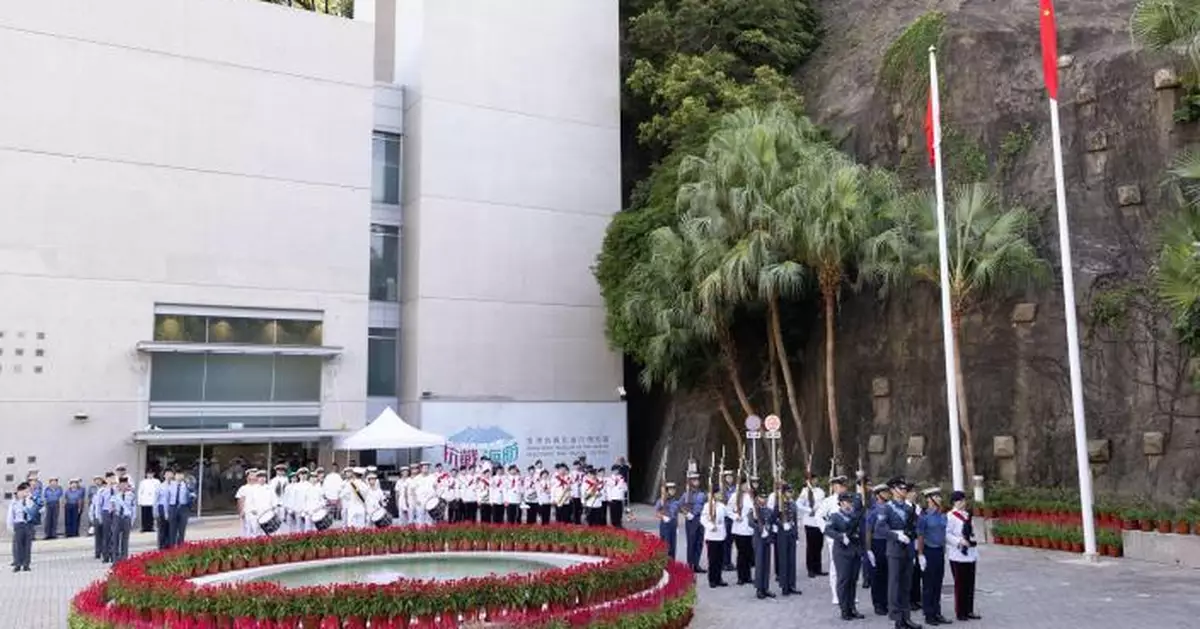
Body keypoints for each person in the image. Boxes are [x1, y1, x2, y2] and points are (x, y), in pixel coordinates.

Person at [879, 477, 921, 629]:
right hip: (895, 549)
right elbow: (881, 528)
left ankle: (906, 617)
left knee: (906, 585)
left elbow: (916, 526)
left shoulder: (909, 508)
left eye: (905, 489)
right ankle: (897, 618)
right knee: (895, 584)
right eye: (901, 488)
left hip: (908, 548)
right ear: (893, 490)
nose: (904, 491)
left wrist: (913, 535)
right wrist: (897, 535)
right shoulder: (886, 508)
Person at [825, 492, 866, 621]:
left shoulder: (855, 516)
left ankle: (852, 607)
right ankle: (844, 609)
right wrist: (841, 537)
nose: (850, 504)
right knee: (844, 580)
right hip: (842, 552)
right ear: (841, 502)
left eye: (850, 501)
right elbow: (828, 530)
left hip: (855, 550)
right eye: (847, 501)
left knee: (853, 580)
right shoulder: (835, 516)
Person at [945, 491, 981, 622]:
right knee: (960, 585)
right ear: (954, 502)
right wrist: (959, 541)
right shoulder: (950, 516)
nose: (962, 503)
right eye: (959, 501)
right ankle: (960, 612)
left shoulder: (967, 515)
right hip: (958, 554)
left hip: (970, 554)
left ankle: (969, 610)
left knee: (970, 583)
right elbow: (947, 534)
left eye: (963, 501)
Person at [917, 487, 951, 626]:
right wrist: (920, 555)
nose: (939, 499)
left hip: (939, 552)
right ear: (929, 500)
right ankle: (928, 614)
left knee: (938, 583)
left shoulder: (942, 516)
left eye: (939, 496)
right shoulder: (924, 518)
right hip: (928, 552)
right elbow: (920, 536)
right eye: (936, 497)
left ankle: (937, 612)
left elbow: (944, 534)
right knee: (928, 585)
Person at [818, 475, 852, 607]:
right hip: (835, 538)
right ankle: (836, 595)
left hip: (849, 538)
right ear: (834, 487)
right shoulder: (828, 501)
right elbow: (819, 516)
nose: (842, 488)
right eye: (839, 486)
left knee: (848, 567)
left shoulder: (850, 499)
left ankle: (849, 594)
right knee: (835, 567)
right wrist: (826, 531)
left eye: (844, 486)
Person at [867, 483, 893, 616]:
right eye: (884, 492)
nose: (888, 494)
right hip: (877, 543)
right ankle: (878, 603)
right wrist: (868, 549)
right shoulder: (873, 510)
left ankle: (887, 601)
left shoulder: (890, 508)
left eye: (888, 492)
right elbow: (868, 530)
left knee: (888, 573)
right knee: (878, 575)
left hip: (889, 542)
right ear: (878, 495)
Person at [699, 487, 729, 589]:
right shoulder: (707, 506)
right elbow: (703, 519)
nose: (720, 495)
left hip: (721, 535)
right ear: (714, 494)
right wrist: (711, 526)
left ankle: (718, 578)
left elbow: (729, 513)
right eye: (718, 493)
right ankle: (712, 579)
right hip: (712, 536)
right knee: (712, 559)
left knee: (720, 559)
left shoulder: (722, 506)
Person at [799, 473, 828, 578]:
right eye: (813, 479)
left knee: (819, 545)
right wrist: (809, 510)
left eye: (816, 479)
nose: (815, 481)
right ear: (809, 481)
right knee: (811, 546)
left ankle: (818, 568)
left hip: (819, 522)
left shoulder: (820, 491)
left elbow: (824, 503)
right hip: (810, 521)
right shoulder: (805, 491)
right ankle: (810, 569)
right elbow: (799, 504)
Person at [728, 479, 755, 586]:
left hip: (749, 529)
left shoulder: (751, 496)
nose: (746, 487)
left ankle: (748, 576)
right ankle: (741, 577)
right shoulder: (735, 496)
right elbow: (728, 510)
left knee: (748, 553)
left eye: (747, 485)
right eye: (744, 485)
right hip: (739, 529)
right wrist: (735, 516)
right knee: (741, 553)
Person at [776, 483, 801, 596]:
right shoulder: (779, 504)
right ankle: (784, 586)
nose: (791, 494)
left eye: (791, 492)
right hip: (782, 535)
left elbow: (795, 520)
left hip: (791, 533)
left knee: (792, 560)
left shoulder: (793, 504)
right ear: (783, 493)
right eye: (788, 492)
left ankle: (792, 585)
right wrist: (781, 524)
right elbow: (773, 518)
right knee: (784, 560)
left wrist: (796, 535)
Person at [751, 488, 776, 599]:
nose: (764, 499)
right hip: (759, 539)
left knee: (766, 564)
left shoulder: (768, 510)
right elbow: (750, 522)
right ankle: (759, 589)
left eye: (765, 497)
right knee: (760, 564)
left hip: (767, 539)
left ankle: (766, 587)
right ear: (757, 498)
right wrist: (761, 529)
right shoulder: (754, 510)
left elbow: (772, 519)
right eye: (761, 497)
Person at [681, 471, 706, 573]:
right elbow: (680, 506)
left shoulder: (702, 494)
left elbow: (707, 505)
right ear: (690, 482)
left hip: (701, 519)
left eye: (697, 480)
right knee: (691, 543)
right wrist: (687, 514)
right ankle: (690, 565)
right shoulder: (686, 494)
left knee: (699, 543)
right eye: (694, 480)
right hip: (691, 519)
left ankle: (696, 564)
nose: (696, 481)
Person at [7, 482, 36, 572]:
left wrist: (29, 500)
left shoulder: (30, 500)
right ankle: (18, 564)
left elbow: (37, 510)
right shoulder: (14, 502)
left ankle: (26, 564)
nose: (26, 493)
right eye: (25, 491)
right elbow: (10, 515)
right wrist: (10, 526)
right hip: (19, 524)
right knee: (18, 545)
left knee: (27, 545)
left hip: (28, 524)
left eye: (28, 491)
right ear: (19, 491)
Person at [111, 477, 137, 562]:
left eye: (125, 484)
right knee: (115, 539)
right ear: (119, 485)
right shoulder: (115, 495)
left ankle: (124, 559)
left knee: (125, 539)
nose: (123, 486)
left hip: (126, 518)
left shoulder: (131, 495)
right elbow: (111, 507)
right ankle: (115, 559)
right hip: (117, 517)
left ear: (127, 485)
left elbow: (134, 509)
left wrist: (132, 520)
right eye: (121, 484)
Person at [654, 481, 681, 558]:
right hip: (665, 525)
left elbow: (676, 515)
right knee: (665, 546)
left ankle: (672, 564)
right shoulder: (661, 501)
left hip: (673, 524)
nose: (673, 491)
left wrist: (677, 527)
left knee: (673, 546)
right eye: (670, 489)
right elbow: (656, 513)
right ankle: (664, 564)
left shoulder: (676, 502)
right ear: (667, 490)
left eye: (674, 489)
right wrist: (663, 517)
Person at [167, 469, 192, 546]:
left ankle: (180, 546)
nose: (179, 476)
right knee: (172, 529)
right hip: (173, 507)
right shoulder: (170, 484)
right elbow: (167, 497)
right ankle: (172, 545)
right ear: (175, 476)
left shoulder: (187, 485)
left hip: (183, 508)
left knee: (182, 529)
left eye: (181, 474)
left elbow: (193, 494)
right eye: (177, 474)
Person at [720, 470, 737, 571]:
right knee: (724, 541)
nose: (729, 479)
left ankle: (728, 561)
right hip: (725, 518)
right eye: (727, 477)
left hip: (733, 516)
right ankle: (723, 562)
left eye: (731, 477)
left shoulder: (736, 489)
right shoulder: (722, 489)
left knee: (730, 541)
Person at [154, 471, 173, 550]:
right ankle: (161, 548)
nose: (169, 475)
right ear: (164, 475)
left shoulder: (174, 486)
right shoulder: (160, 486)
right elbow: (156, 500)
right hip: (161, 509)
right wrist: (155, 512)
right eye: (167, 474)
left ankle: (169, 547)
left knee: (171, 530)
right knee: (162, 530)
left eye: (170, 474)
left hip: (171, 509)